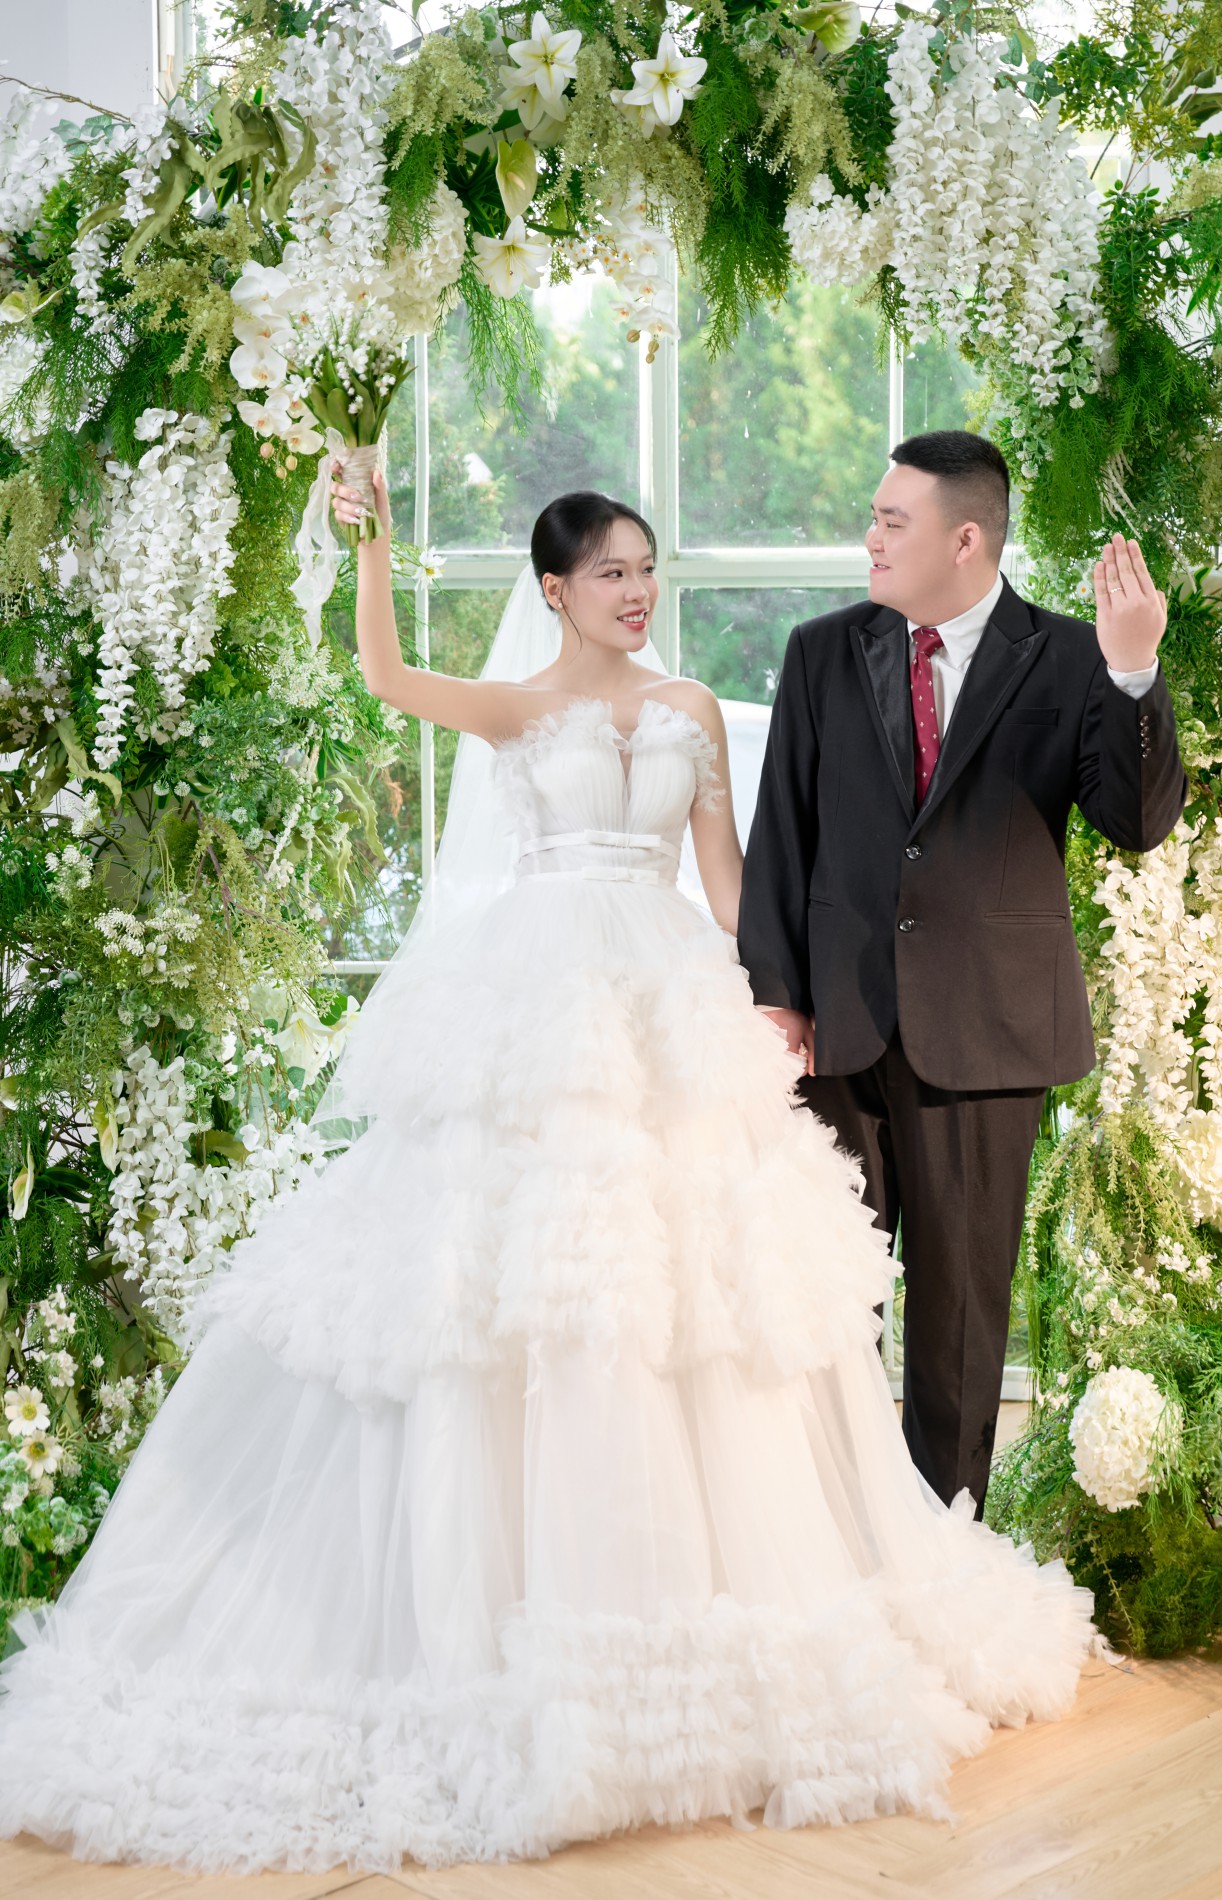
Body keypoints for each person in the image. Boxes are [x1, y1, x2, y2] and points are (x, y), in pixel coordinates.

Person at [0, 472, 1101, 1878]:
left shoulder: (689, 709)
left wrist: (787, 997)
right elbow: (384, 676)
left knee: (687, 1301)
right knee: (514, 1289)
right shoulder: (518, 710)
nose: (638, 592)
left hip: (663, 998)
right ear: (555, 592)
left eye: (646, 568)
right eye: (611, 574)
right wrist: (372, 543)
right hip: (538, 1005)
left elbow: (729, 886)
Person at [738, 430, 1188, 1520]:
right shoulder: (821, 652)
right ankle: (832, 1535)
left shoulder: (1073, 657)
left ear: (965, 539)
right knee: (827, 1306)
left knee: (958, 1319)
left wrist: (1133, 672)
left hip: (988, 1035)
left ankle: (943, 1551)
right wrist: (773, 999)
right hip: (835, 1029)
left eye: (891, 521)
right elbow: (782, 834)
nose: (869, 537)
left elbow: (1135, 822)